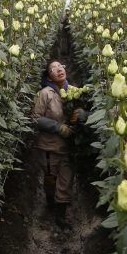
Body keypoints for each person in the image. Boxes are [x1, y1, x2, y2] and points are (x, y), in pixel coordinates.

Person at [30, 59, 85, 228]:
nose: (58, 69)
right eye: (53, 69)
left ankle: (60, 216)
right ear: (50, 77)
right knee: (50, 178)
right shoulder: (45, 94)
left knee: (66, 180)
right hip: (50, 146)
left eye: (60, 66)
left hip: (69, 147)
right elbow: (35, 118)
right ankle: (49, 201)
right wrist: (58, 128)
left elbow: (85, 111)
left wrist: (82, 114)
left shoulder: (75, 92)